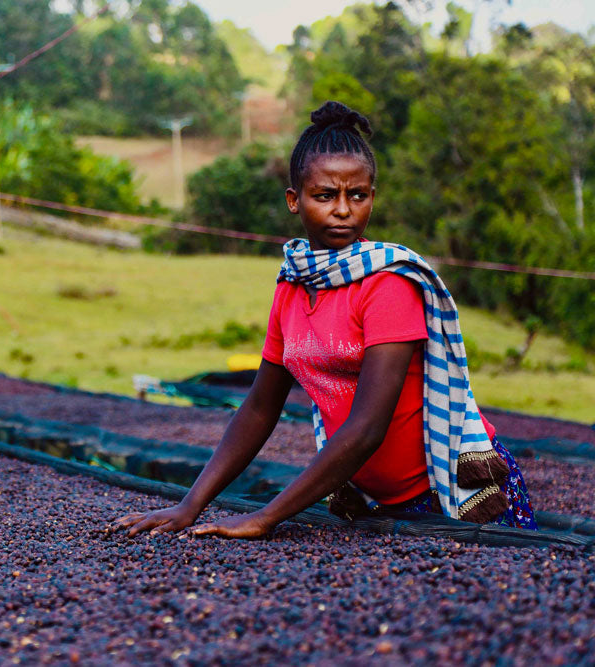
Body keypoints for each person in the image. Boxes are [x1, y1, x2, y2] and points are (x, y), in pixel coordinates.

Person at [114, 101, 537, 540]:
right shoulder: (292, 287)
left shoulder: (388, 285)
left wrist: (267, 517)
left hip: (450, 497)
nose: (342, 209)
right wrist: (190, 505)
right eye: (324, 195)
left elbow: (368, 427)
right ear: (294, 201)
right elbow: (260, 407)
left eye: (357, 195)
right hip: (376, 504)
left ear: (372, 196)